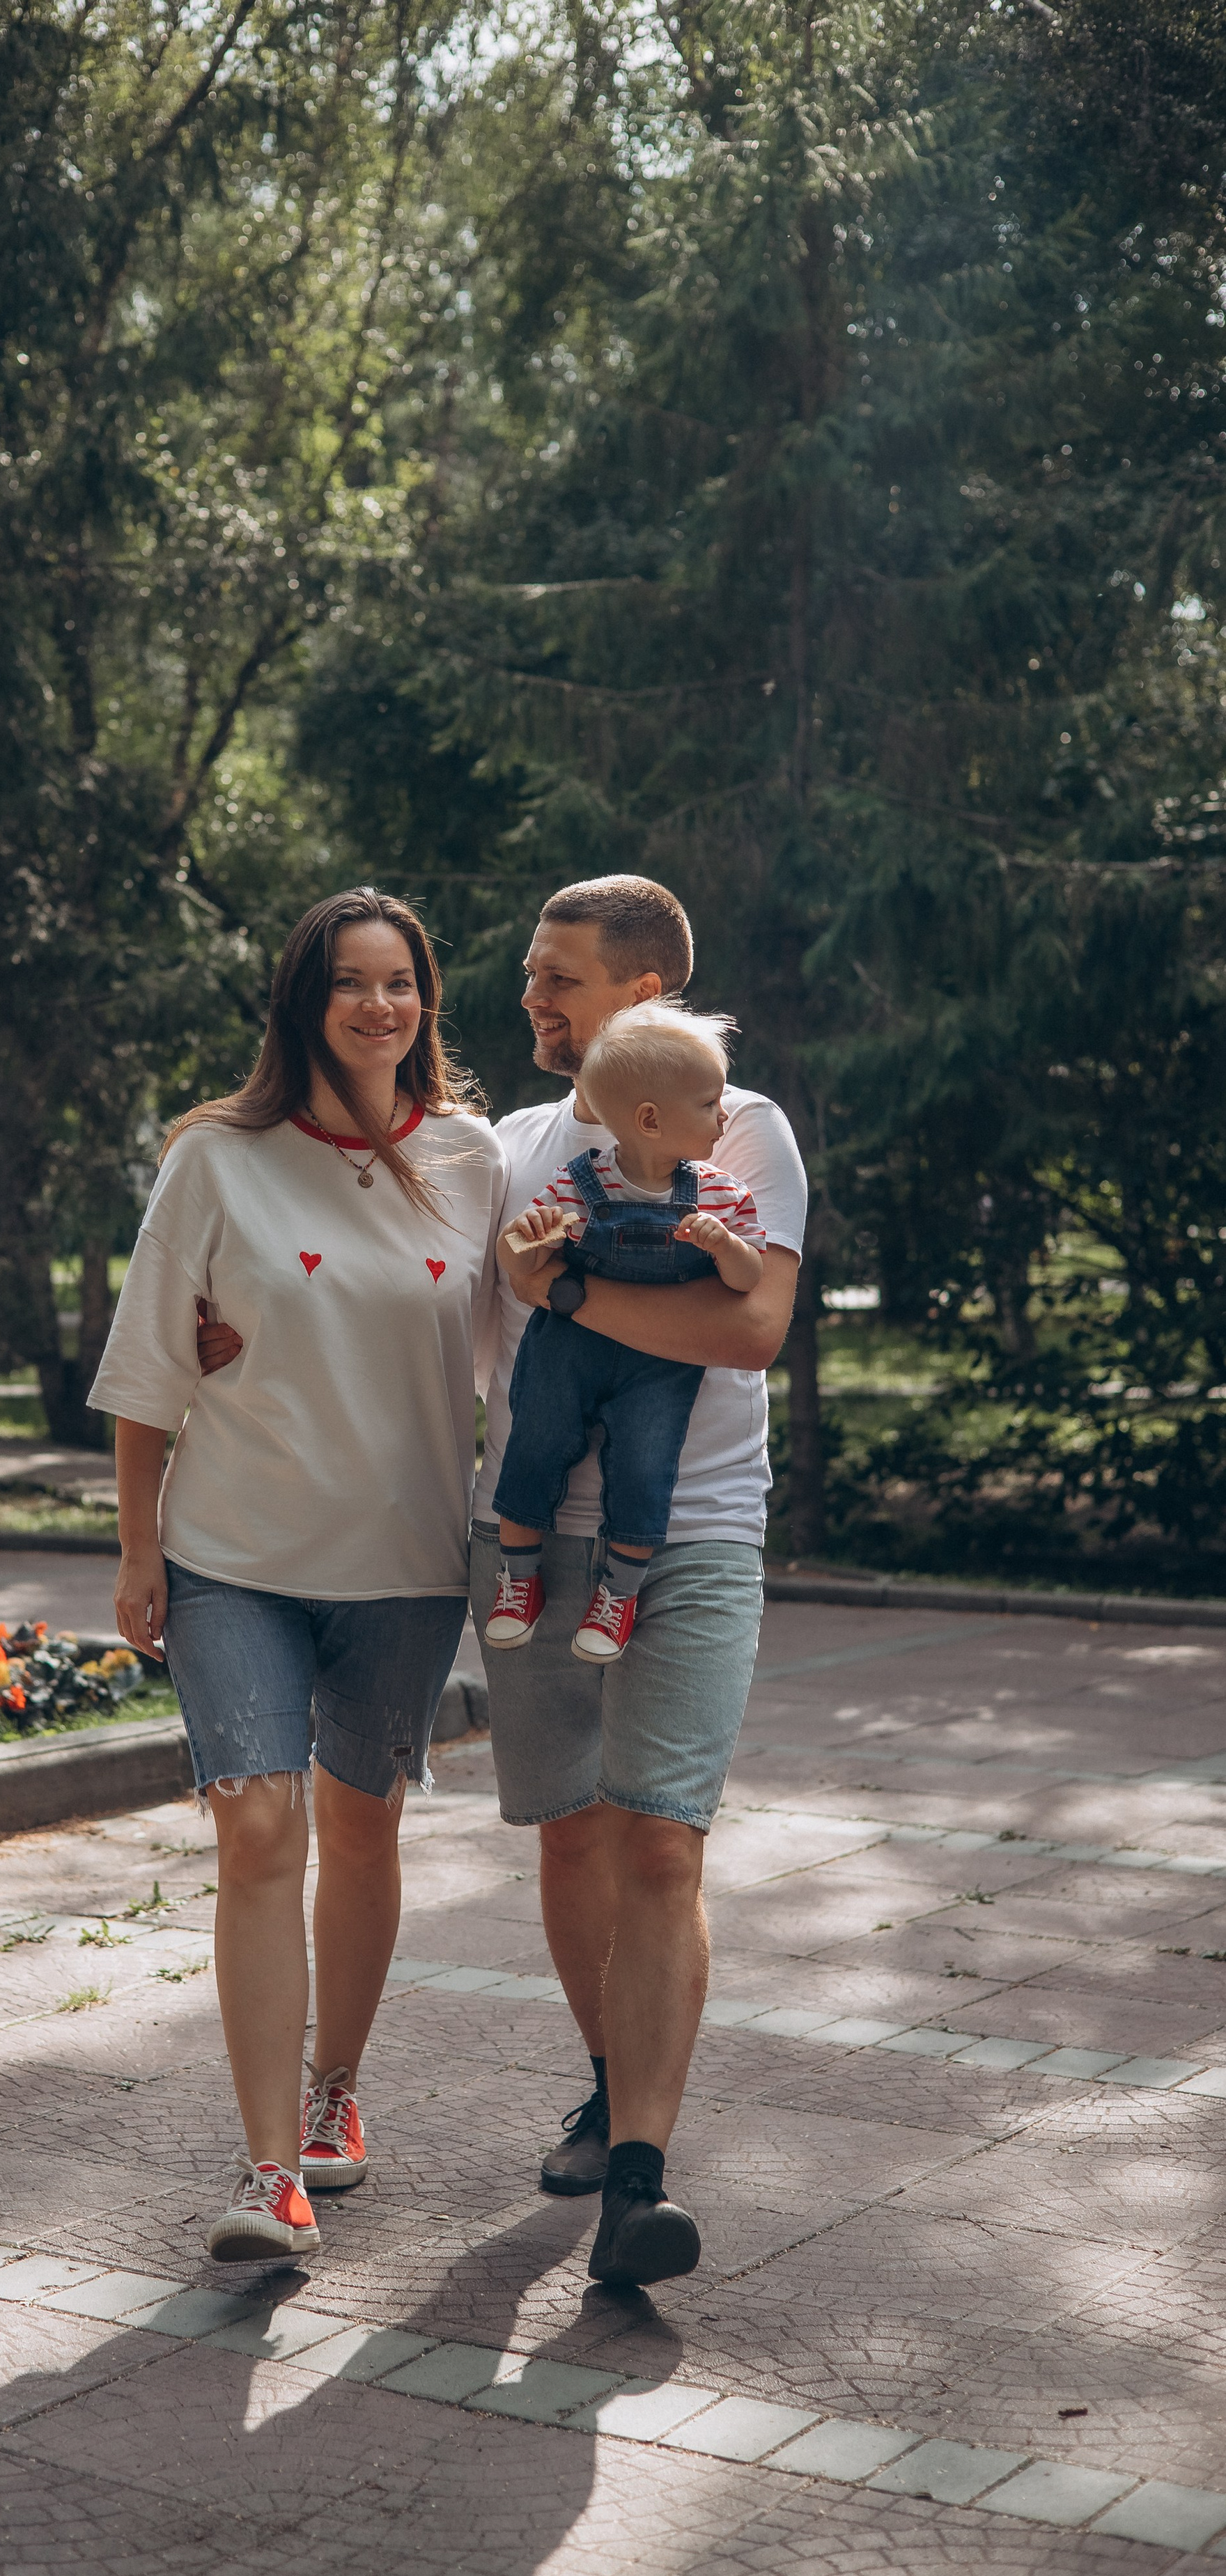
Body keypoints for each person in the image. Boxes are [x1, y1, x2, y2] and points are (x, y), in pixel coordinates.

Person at [89, 888, 508, 2265]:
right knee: (258, 1830)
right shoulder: (215, 1159)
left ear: (424, 1005)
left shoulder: (471, 1159)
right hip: (233, 1556)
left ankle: (337, 2092)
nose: (377, 1006)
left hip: (402, 1559)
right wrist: (138, 1542)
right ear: (302, 1003)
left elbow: (531, 1346)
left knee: (364, 1826)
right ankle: (269, 2168)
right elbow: (154, 1356)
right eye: (349, 983)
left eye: (400, 983)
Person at [472, 875, 805, 2290]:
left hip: (697, 1533)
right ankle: (609, 2085)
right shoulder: (510, 1145)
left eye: (557, 976)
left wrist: (556, 1294)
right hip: (537, 1542)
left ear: (642, 995)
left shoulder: (739, 1124)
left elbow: (748, 1332)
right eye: (531, 973)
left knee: (660, 1838)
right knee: (568, 1835)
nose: (531, 999)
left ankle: (639, 2182)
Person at [486, 1001, 766, 1664]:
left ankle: (619, 1592)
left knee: (646, 1465)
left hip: (660, 1364)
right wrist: (525, 1242)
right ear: (650, 1120)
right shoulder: (579, 1186)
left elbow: (749, 1280)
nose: (726, 1118)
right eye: (710, 1104)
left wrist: (725, 1246)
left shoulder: (721, 1195)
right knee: (536, 1437)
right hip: (568, 1352)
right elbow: (525, 1262)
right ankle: (518, 1578)